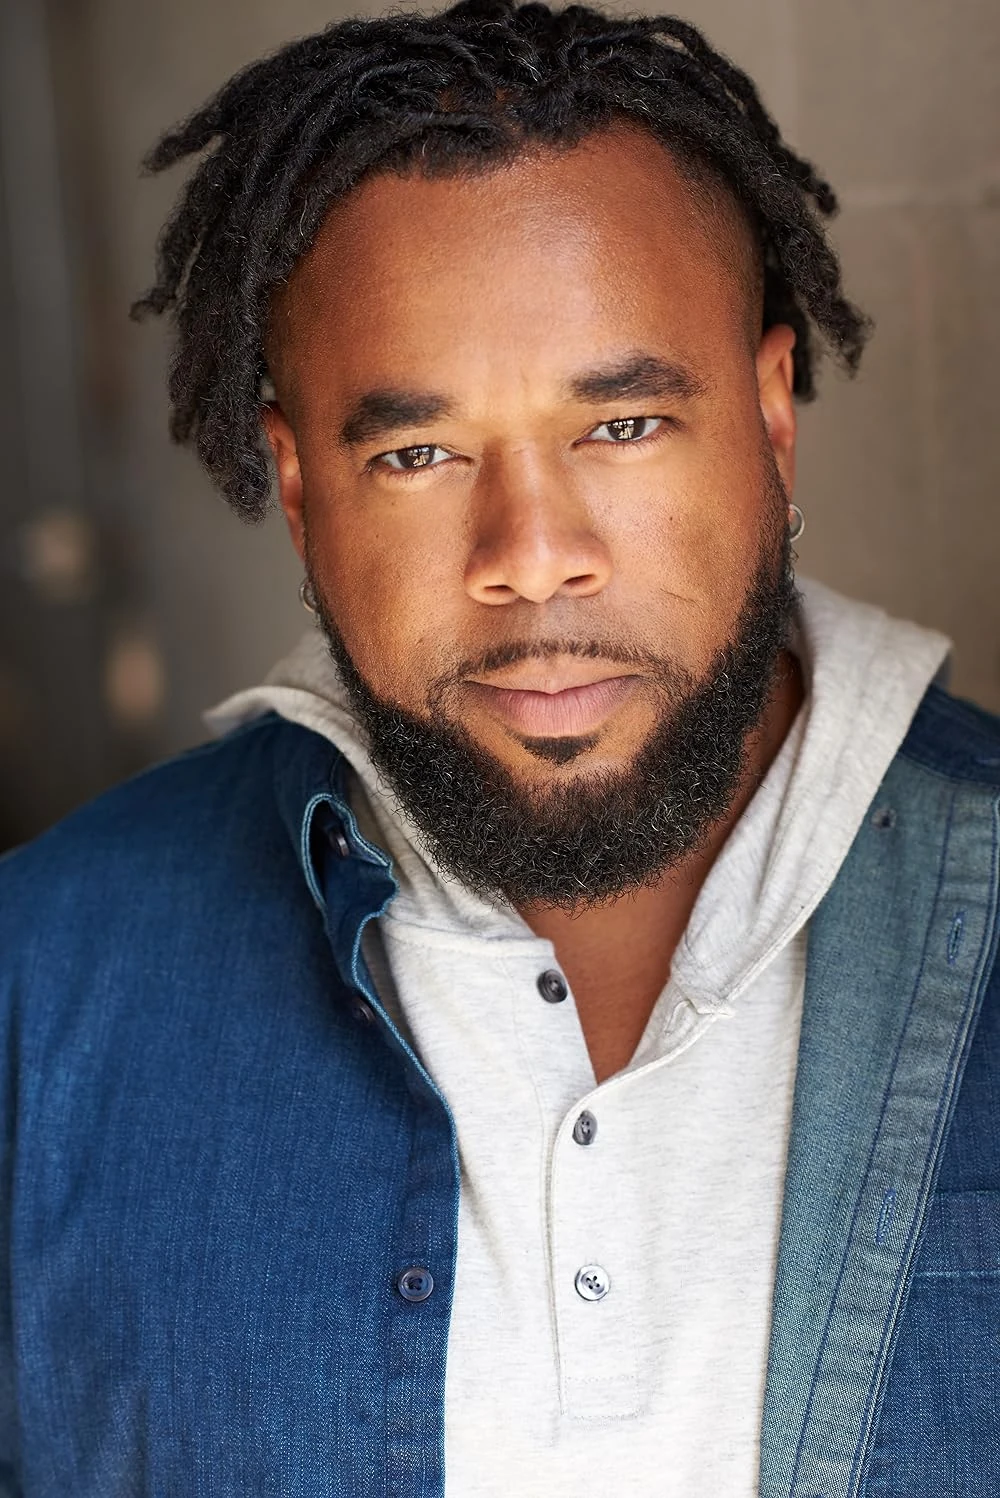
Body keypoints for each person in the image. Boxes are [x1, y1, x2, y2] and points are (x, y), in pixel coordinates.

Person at [1, 1, 998, 1493]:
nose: (531, 556)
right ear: (298, 492)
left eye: (624, 426)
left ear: (771, 418)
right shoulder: (43, 980)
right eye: (418, 453)